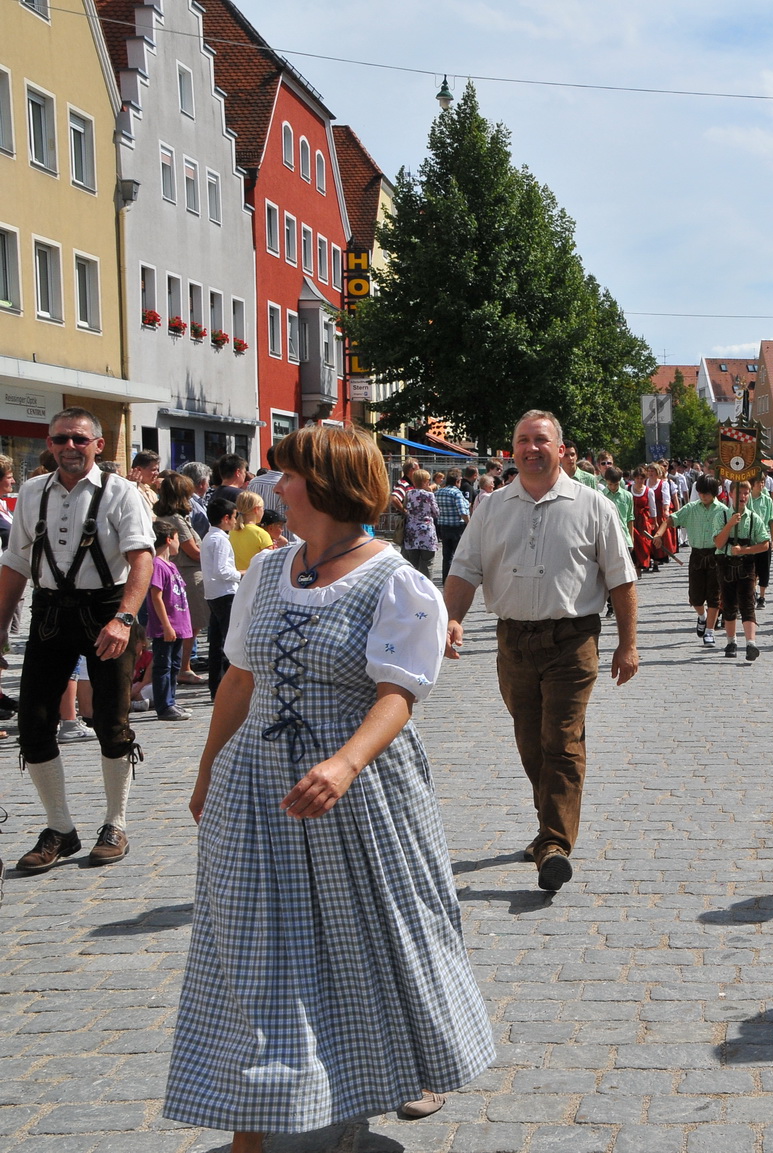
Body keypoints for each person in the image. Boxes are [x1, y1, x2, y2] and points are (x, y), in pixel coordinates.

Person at [166, 424, 493, 1148]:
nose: (274, 487)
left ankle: (359, 1091)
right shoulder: (266, 573)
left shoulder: (396, 579)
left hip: (358, 792)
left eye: (287, 476)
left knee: (366, 944)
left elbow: (398, 694)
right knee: (254, 950)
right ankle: (253, 1127)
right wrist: (208, 767)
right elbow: (239, 681)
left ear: (327, 485)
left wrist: (344, 763)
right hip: (257, 789)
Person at [444, 410, 639, 892]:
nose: (532, 448)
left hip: (572, 640)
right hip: (512, 640)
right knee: (531, 740)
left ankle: (553, 843)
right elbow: (464, 570)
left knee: (563, 738)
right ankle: (549, 824)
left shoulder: (594, 505)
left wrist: (628, 644)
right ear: (512, 449)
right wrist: (451, 618)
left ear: (560, 447)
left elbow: (622, 579)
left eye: (541, 440)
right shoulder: (490, 507)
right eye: (523, 440)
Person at [0, 408, 154, 872]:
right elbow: (15, 567)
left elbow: (141, 558)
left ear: (98, 446)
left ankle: (116, 821)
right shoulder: (31, 493)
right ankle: (61, 829)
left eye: (79, 440)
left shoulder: (121, 492)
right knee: (33, 723)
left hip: (107, 612)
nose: (69, 447)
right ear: (49, 444)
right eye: (60, 439)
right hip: (49, 614)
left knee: (110, 720)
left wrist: (124, 619)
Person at [156, 472, 209, 688]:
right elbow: (193, 551)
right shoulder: (176, 519)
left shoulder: (170, 516)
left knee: (189, 626)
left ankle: (182, 665)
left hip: (183, 571)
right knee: (190, 625)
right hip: (187, 572)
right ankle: (183, 667)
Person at [145, 517, 195, 722]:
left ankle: (171, 700)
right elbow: (156, 595)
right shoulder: (157, 565)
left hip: (179, 624)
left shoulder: (171, 565)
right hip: (166, 626)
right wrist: (166, 625)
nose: (178, 543)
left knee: (174, 665)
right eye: (176, 538)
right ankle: (164, 705)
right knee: (163, 666)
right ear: (168, 539)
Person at [670, 476, 728, 646]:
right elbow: (672, 519)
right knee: (695, 597)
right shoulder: (691, 508)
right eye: (701, 492)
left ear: (714, 493)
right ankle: (702, 617)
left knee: (714, 596)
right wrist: (659, 534)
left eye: (707, 493)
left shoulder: (723, 510)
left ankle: (710, 631)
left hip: (716, 555)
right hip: (696, 555)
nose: (703, 496)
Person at [716, 481, 770, 660]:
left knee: (747, 603)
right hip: (725, 562)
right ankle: (731, 641)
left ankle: (751, 644)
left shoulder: (754, 518)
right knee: (729, 604)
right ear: (730, 494)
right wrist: (730, 524)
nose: (743, 496)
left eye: (746, 493)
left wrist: (745, 550)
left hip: (746, 565)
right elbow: (718, 543)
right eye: (739, 493)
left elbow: (765, 544)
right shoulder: (722, 515)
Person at [200, 497, 241, 698]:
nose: (235, 521)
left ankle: (216, 687)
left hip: (213, 593)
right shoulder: (221, 540)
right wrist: (242, 573)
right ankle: (226, 687)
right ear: (226, 518)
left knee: (216, 643)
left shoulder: (209, 537)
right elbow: (223, 570)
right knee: (228, 641)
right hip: (226, 593)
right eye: (234, 517)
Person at [748, 474, 773, 609]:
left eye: (762, 482)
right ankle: (752, 593)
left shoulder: (767, 500)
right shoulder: (746, 499)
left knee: (764, 569)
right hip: (749, 539)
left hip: (764, 537)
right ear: (752, 484)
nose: (761, 485)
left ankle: (762, 596)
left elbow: (771, 520)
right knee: (751, 568)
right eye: (758, 483)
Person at [434, 471, 471, 581]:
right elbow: (463, 512)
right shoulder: (456, 493)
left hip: (444, 526)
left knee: (447, 555)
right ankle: (458, 579)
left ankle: (446, 579)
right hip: (457, 527)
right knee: (459, 556)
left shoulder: (439, 492)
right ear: (457, 481)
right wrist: (469, 525)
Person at [401, 470, 437, 577]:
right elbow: (436, 512)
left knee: (412, 564)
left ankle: (411, 588)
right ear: (425, 481)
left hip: (411, 532)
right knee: (427, 564)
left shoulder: (408, 494)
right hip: (426, 533)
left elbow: (405, 508)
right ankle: (425, 589)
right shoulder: (429, 495)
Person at [229, 491, 273, 572]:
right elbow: (269, 562)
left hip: (238, 578)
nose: (263, 511)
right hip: (256, 578)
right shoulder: (260, 533)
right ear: (256, 509)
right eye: (262, 508)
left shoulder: (232, 531)